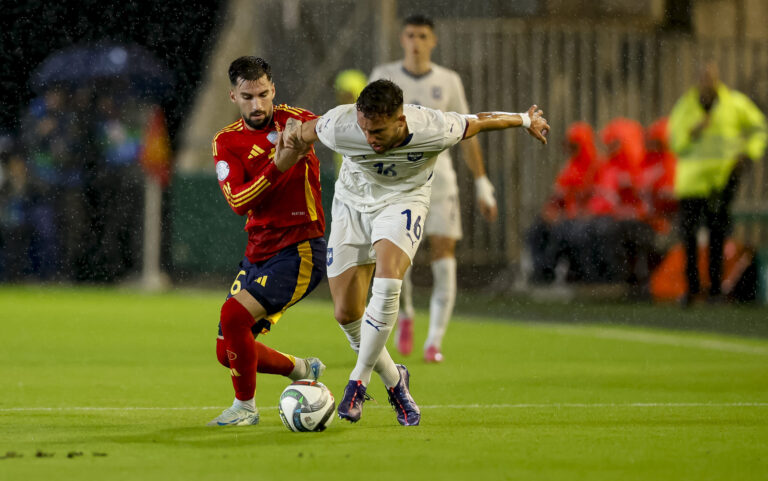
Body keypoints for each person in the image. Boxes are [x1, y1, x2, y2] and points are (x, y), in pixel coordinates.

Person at [282, 79, 549, 425]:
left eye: (377, 131)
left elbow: (480, 120)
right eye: (364, 129)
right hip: (351, 205)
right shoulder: (340, 124)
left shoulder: (434, 127)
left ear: (401, 121)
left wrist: (525, 120)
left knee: (389, 278)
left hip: (403, 201)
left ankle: (357, 381)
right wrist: (288, 137)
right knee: (346, 313)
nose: (369, 139)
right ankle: (396, 381)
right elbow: (300, 133)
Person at [207, 56, 328, 426]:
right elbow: (238, 202)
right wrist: (278, 164)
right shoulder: (226, 141)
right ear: (233, 96)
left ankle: (245, 409)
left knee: (233, 316)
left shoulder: (299, 122)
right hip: (257, 251)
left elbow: (327, 128)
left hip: (301, 247)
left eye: (263, 94)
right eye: (247, 96)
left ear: (273, 89)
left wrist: (296, 147)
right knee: (225, 351)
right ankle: (302, 368)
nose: (257, 105)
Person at [369, 15, 498, 362]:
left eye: (422, 36)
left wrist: (483, 183)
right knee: (399, 260)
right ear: (402, 38)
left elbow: (468, 131)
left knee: (443, 251)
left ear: (433, 41)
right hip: (398, 183)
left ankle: (434, 341)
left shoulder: (449, 81)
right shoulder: (384, 75)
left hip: (440, 183)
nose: (416, 42)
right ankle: (407, 314)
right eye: (410, 35)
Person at [668, 60, 767, 306]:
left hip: (722, 180)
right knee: (689, 237)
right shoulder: (686, 107)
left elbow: (759, 129)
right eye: (703, 76)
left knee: (717, 235)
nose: (707, 81)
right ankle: (692, 290)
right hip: (692, 183)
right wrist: (693, 132)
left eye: (711, 76)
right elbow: (675, 141)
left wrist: (748, 153)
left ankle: (715, 290)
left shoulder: (734, 104)